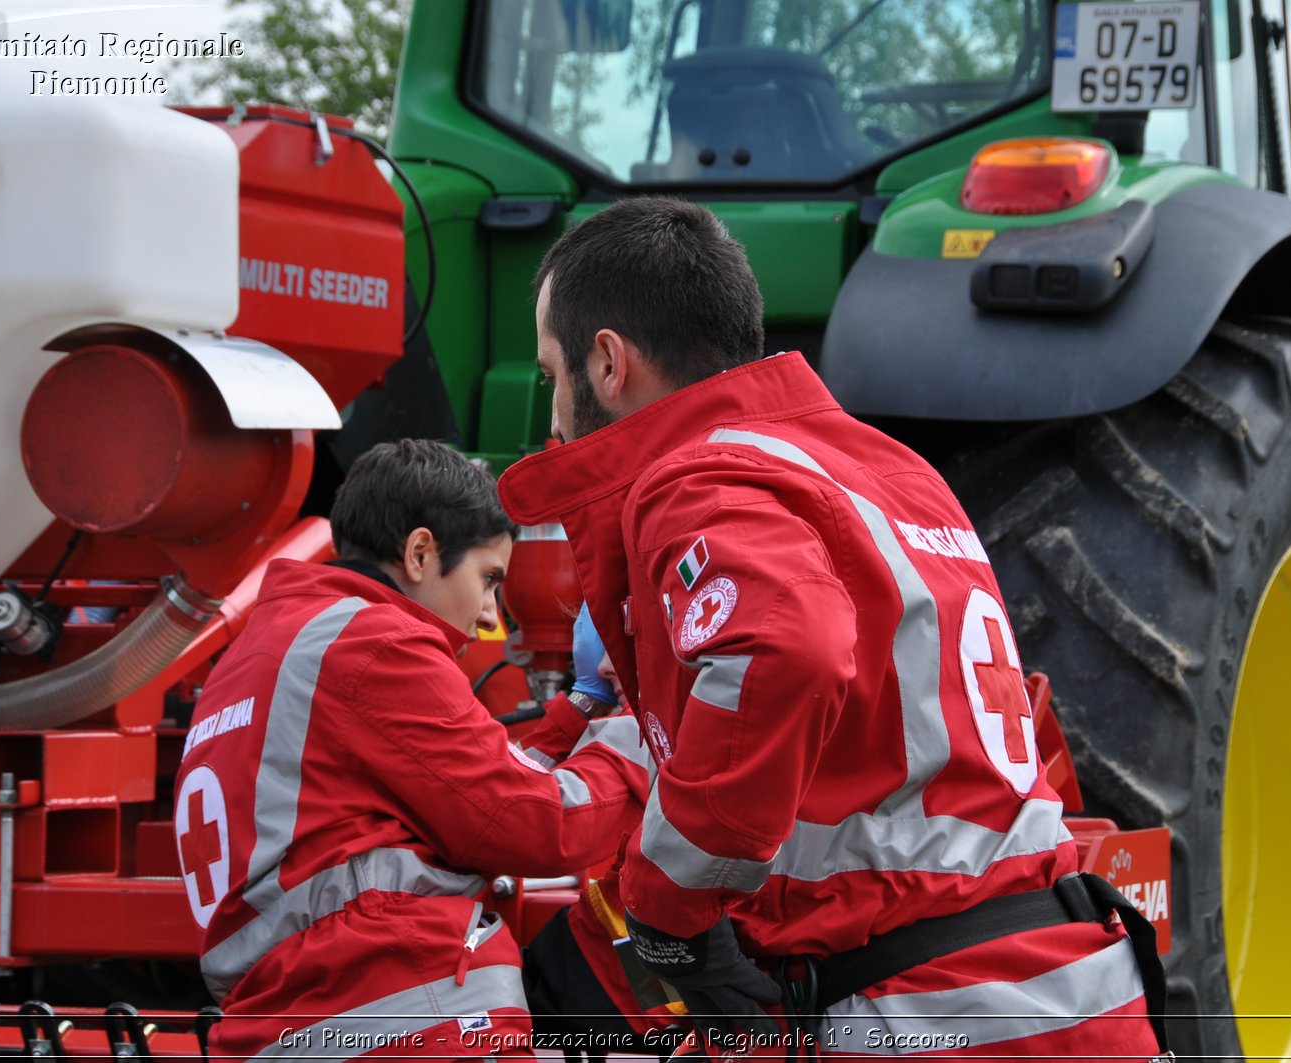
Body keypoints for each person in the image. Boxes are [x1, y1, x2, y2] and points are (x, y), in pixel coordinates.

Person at [498, 198, 1168, 1059]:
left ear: (608, 362)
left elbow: (784, 647)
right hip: (1071, 989)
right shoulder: (888, 469)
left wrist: (668, 910)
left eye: (553, 371)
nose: (553, 416)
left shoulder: (697, 476)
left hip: (931, 1013)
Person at [173, 439, 652, 1063]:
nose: (487, 616)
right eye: (488, 580)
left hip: (303, 1020)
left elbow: (461, 787)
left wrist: (580, 708)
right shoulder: (374, 642)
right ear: (421, 552)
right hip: (406, 1013)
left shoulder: (264, 652)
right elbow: (530, 822)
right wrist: (641, 733)